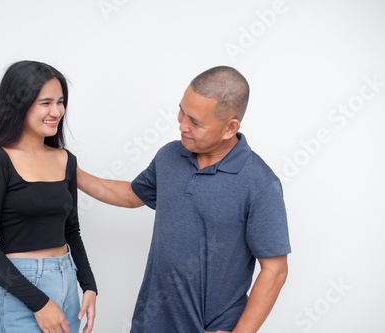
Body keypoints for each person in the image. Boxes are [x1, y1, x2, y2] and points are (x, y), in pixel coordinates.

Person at [77, 66, 291, 332]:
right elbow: (132, 195)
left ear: (230, 127)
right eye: (182, 111)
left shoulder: (260, 183)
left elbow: (275, 270)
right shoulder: (170, 156)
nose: (182, 125)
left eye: (196, 122)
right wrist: (72, 173)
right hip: (150, 322)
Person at [0, 60, 97, 333]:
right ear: (20, 104)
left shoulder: (65, 159)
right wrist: (40, 303)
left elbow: (71, 231)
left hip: (67, 283)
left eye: (60, 102)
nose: (56, 111)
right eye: (45, 102)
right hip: (21, 291)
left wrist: (89, 285)